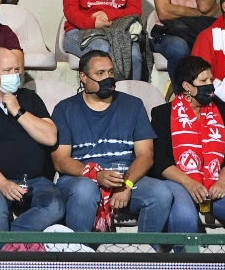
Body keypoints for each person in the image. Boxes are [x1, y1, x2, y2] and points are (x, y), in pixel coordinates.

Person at [51, 50, 172, 233]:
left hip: (125, 177)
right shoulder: (65, 109)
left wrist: (128, 184)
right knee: (85, 189)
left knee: (160, 193)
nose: (108, 78)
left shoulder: (133, 105)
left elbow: (146, 154)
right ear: (83, 77)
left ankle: (147, 254)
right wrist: (95, 176)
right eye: (100, 73)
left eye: (110, 72)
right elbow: (60, 161)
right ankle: (78, 254)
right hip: (81, 179)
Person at [150, 55, 225, 237]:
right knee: (185, 215)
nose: (210, 85)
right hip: (180, 181)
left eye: (211, 79)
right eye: (203, 80)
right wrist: (189, 183)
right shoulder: (163, 114)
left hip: (217, 179)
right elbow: (160, 160)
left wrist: (222, 182)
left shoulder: (221, 110)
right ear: (186, 86)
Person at [0, 48, 63, 239]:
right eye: (8, 70)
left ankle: (10, 243)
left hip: (35, 180)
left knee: (55, 205)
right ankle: (1, 255)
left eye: (16, 69)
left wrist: (18, 111)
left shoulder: (30, 99)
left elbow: (50, 136)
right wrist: (3, 184)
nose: (14, 75)